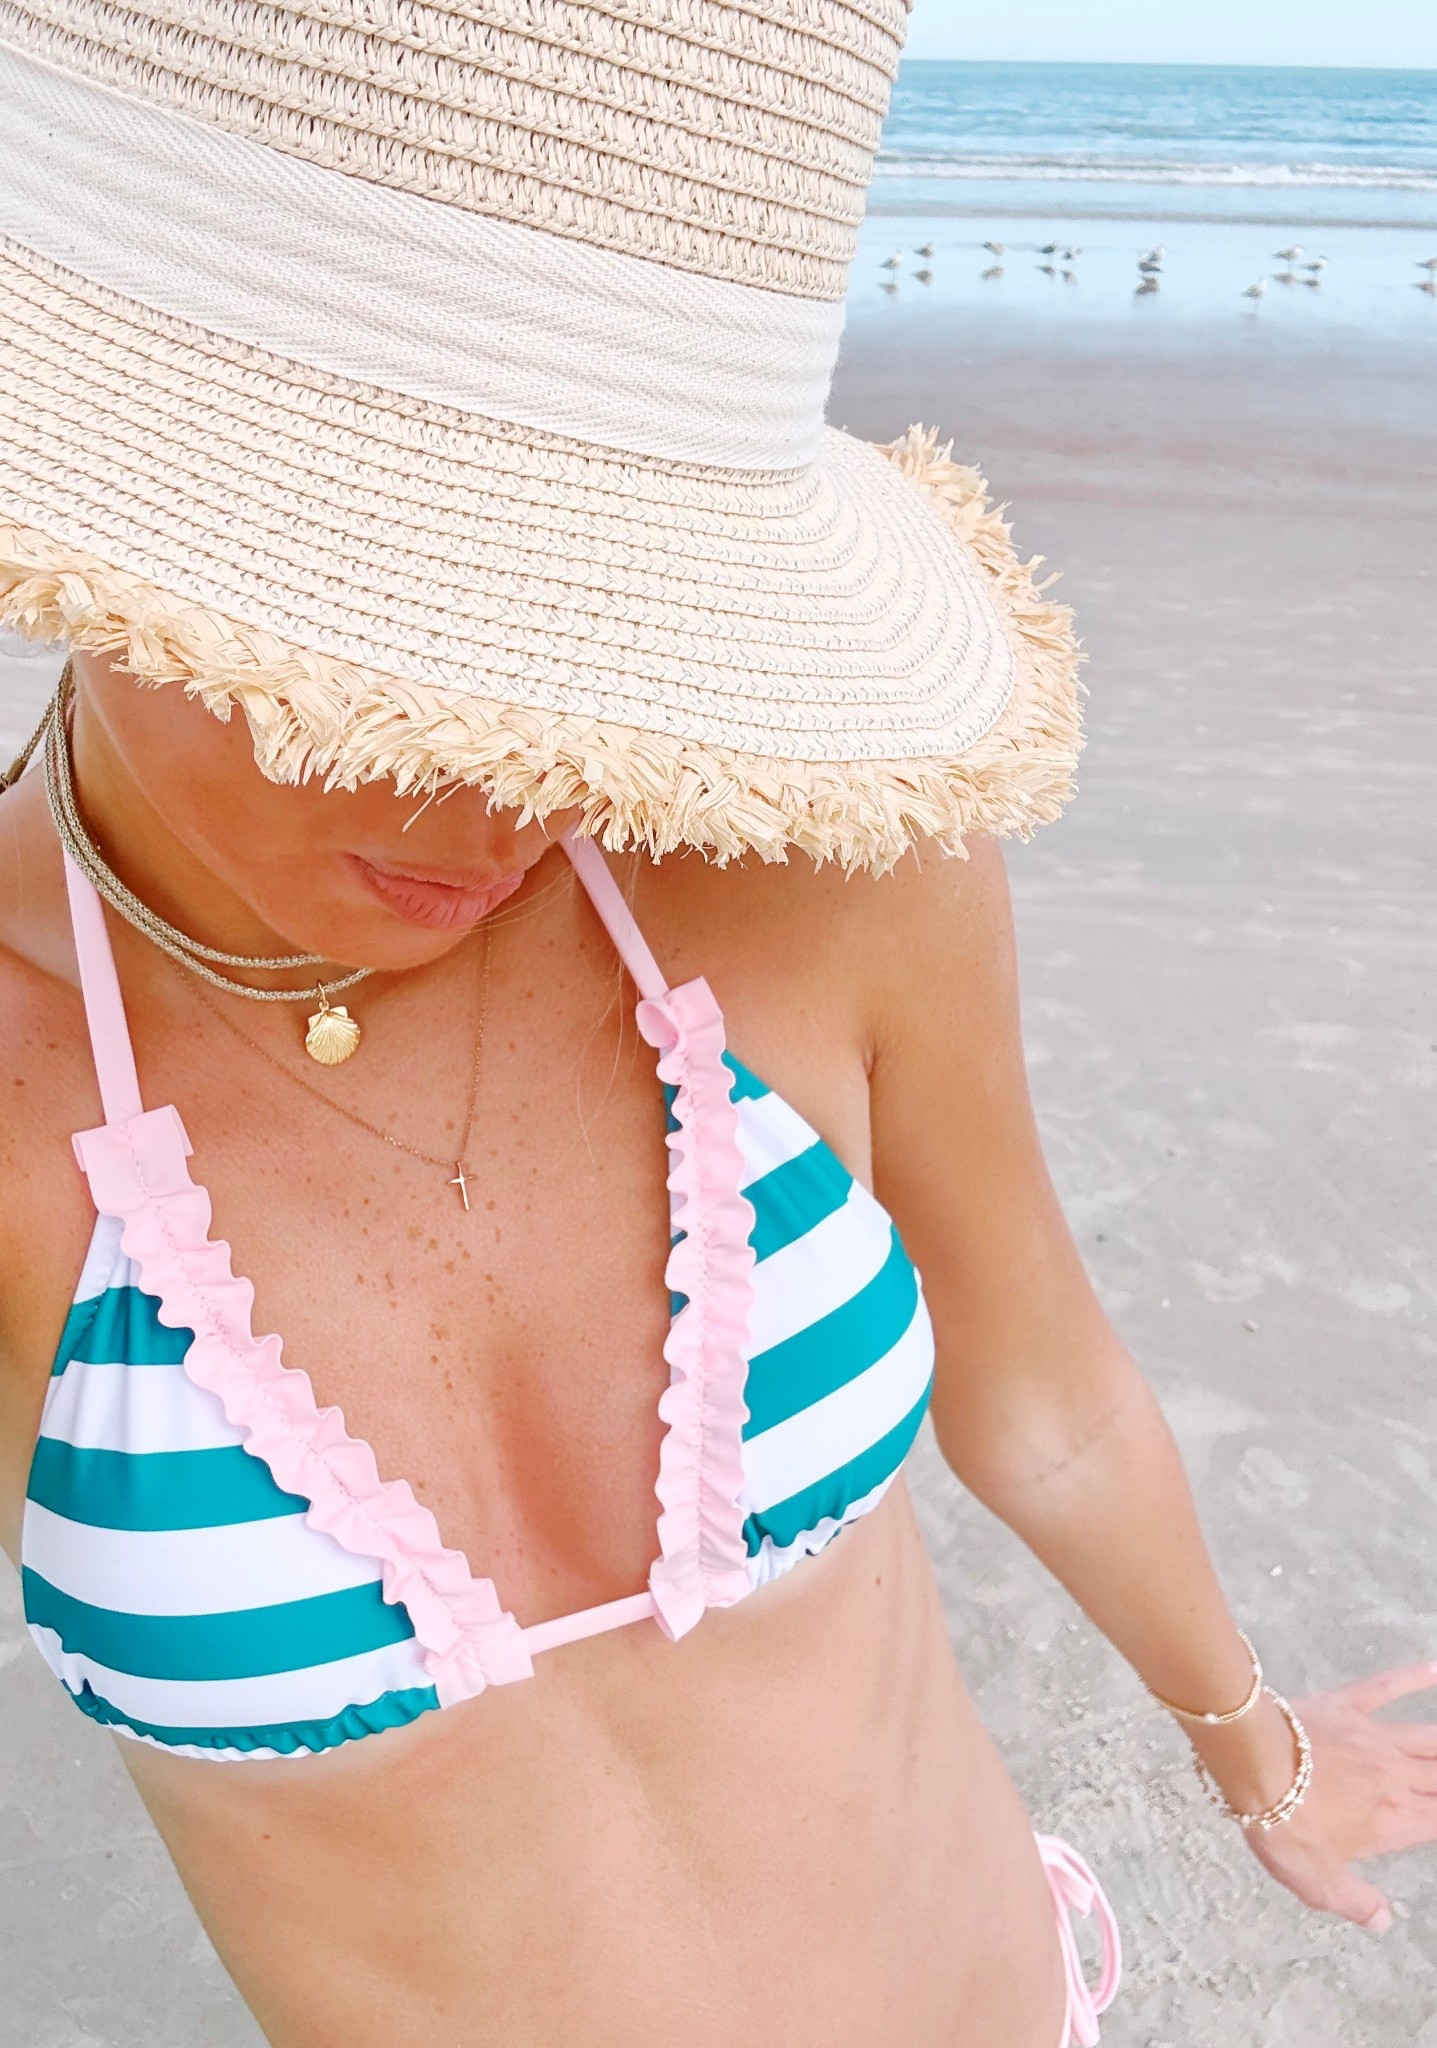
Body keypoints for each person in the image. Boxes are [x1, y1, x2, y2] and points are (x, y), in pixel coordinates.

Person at [0, 5, 1434, 2045]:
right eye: (377, 654)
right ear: (100, 542)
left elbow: (1037, 1384)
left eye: (592, 654)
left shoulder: (807, 873)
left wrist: (1259, 1750)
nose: (501, 797)